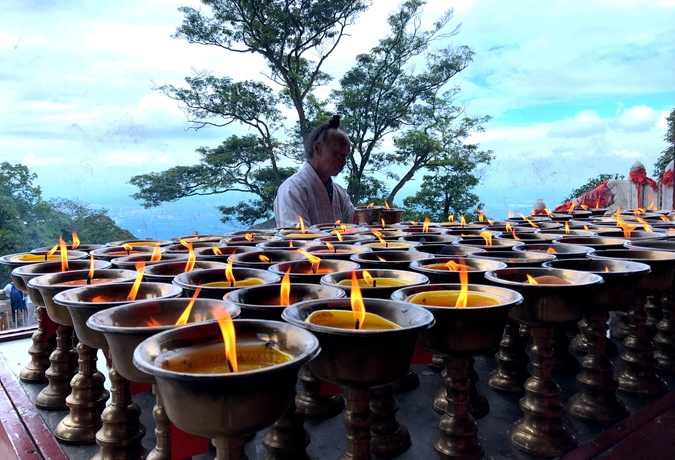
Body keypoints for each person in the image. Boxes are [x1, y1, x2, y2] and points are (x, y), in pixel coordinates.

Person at [274, 115, 355, 227]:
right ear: (317, 148)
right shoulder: (292, 189)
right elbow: (296, 237)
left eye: (346, 156)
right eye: (339, 154)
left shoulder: (340, 194)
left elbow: (355, 229)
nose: (344, 162)